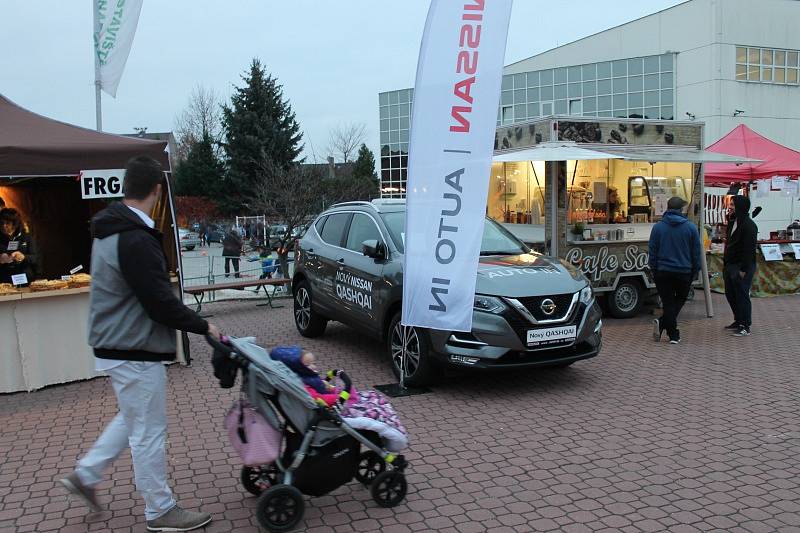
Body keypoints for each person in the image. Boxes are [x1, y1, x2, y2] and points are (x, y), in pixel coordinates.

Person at [59, 156, 220, 531]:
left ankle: (86, 474)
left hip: (115, 344)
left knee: (132, 418)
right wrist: (203, 326)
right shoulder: (135, 237)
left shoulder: (111, 230)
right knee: (148, 431)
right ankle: (160, 509)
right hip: (134, 347)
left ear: (125, 187)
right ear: (157, 191)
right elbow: (160, 302)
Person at [648, 197, 701, 344]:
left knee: (668, 302)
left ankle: (666, 326)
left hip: (663, 271)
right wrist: (696, 269)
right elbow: (696, 252)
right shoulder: (690, 228)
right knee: (680, 299)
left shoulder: (658, 227)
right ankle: (672, 333)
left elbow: (652, 251)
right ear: (681, 209)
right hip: (684, 271)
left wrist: (653, 268)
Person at [723, 195, 758, 336]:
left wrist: (744, 269)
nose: (729, 207)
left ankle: (745, 324)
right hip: (730, 265)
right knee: (730, 293)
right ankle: (738, 319)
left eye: (732, 205)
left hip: (742, 266)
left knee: (741, 294)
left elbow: (749, 250)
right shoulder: (733, 222)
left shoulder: (749, 226)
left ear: (740, 207)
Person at [0, 208, 36, 284]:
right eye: (2, 223)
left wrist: (24, 257)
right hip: (4, 282)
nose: (4, 226)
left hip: (24, 279)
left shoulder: (26, 237)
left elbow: (35, 258)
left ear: (15, 224)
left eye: (7, 223)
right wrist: (1, 259)